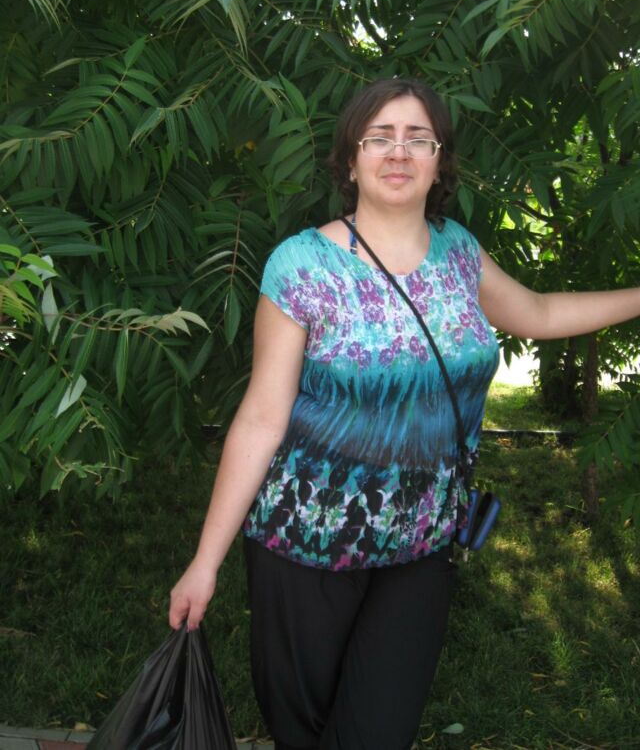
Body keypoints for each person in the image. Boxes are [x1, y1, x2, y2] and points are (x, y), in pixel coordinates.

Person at [169, 78, 640, 750]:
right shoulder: (302, 266)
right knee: (300, 729)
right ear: (350, 159)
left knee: (377, 731)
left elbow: (537, 312)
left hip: (422, 543)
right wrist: (205, 561)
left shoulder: (460, 254)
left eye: (418, 138)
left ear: (439, 161)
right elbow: (261, 418)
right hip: (306, 542)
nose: (399, 152)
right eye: (380, 137)